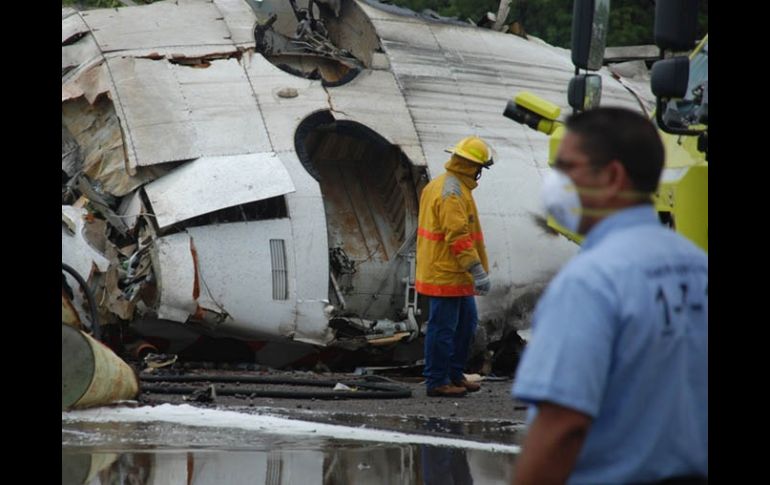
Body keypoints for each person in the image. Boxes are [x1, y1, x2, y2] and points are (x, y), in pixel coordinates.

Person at [511, 107, 708, 484]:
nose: (556, 182)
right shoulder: (697, 266)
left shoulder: (590, 282)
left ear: (613, 177)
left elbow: (561, 427)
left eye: (568, 167)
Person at [416, 135, 495, 398]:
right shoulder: (452, 192)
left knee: (465, 325)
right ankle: (437, 380)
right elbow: (458, 237)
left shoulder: (450, 185)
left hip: (454, 273)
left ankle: (453, 374)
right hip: (446, 273)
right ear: (474, 167)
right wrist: (477, 271)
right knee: (443, 329)